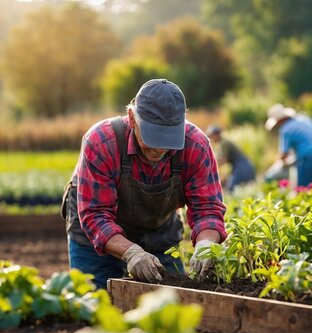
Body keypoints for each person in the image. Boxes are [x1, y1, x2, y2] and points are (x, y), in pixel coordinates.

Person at [63, 79, 227, 289]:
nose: (159, 148)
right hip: (95, 236)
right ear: (132, 118)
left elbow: (207, 208)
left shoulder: (196, 145)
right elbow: (96, 214)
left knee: (172, 305)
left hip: (158, 232)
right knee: (97, 304)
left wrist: (206, 244)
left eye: (168, 139)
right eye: (153, 137)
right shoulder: (102, 142)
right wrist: (131, 252)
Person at [265, 103, 312, 187]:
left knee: (304, 190)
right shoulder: (305, 119)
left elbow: (283, 154)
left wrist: (274, 167)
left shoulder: (286, 129)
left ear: (279, 120)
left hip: (308, 161)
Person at [205, 125, 255, 192]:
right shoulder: (221, 143)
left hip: (242, 167)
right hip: (241, 166)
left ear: (216, 134)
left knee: (231, 188)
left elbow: (223, 160)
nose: (210, 138)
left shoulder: (224, 143)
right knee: (238, 188)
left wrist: (209, 170)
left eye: (211, 136)